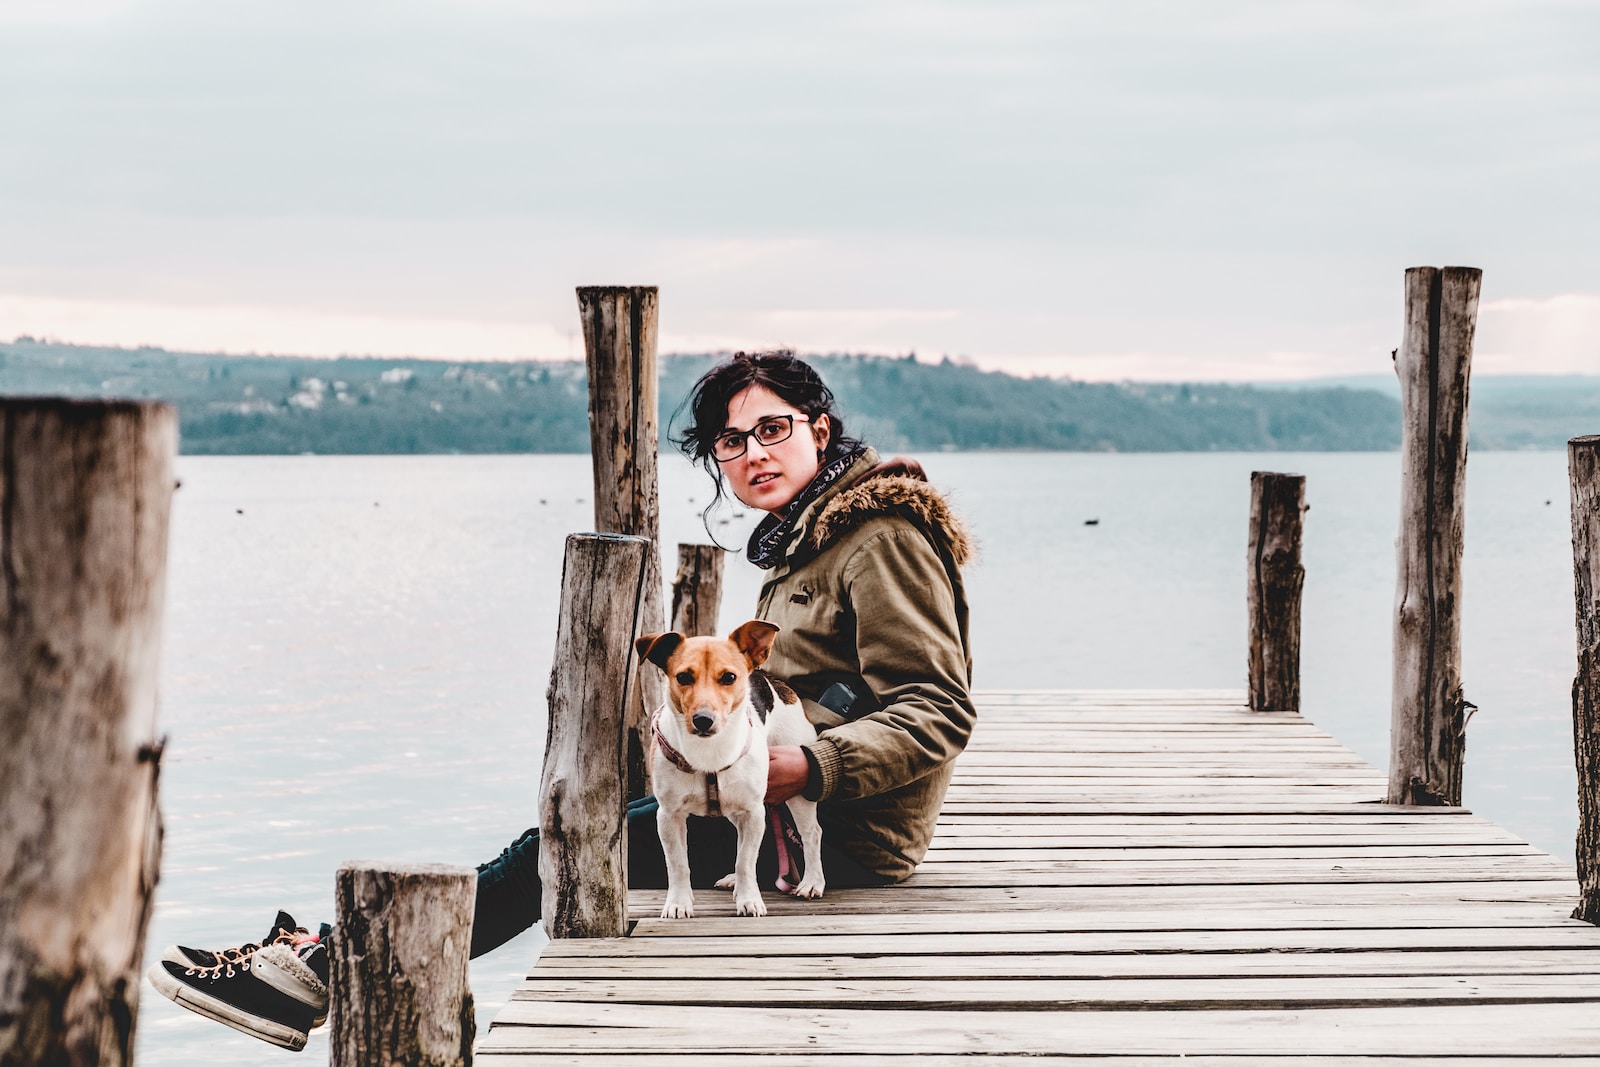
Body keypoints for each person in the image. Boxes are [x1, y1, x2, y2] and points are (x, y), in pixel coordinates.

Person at [149, 349, 974, 1050]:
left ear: (818, 431)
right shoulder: (811, 539)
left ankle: (318, 968)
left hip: (845, 837)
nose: (753, 451)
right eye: (732, 439)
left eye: (773, 428)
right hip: (758, 796)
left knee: (561, 849)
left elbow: (939, 704)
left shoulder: (882, 538)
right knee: (557, 837)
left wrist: (810, 766)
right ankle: (323, 954)